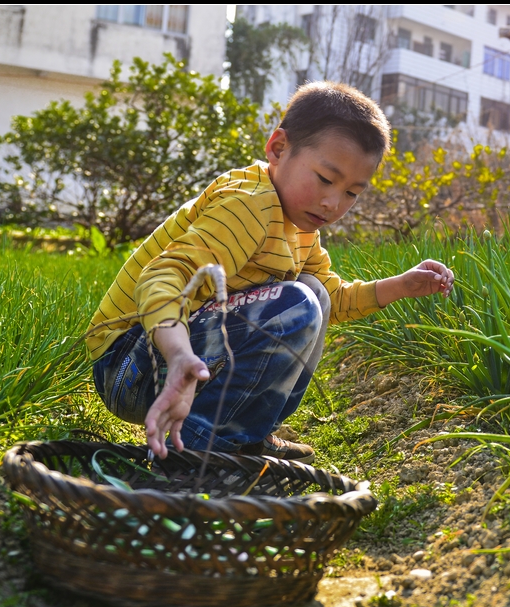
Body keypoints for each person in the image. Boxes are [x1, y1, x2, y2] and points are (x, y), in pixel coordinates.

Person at [86, 81, 454, 463]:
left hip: (173, 363)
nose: (332, 203)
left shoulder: (300, 227)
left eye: (351, 193)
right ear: (278, 148)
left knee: (315, 296)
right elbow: (162, 276)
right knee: (295, 304)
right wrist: (178, 355)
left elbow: (333, 299)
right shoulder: (249, 204)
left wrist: (401, 285)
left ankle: (244, 436)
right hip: (130, 362)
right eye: (326, 179)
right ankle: (191, 454)